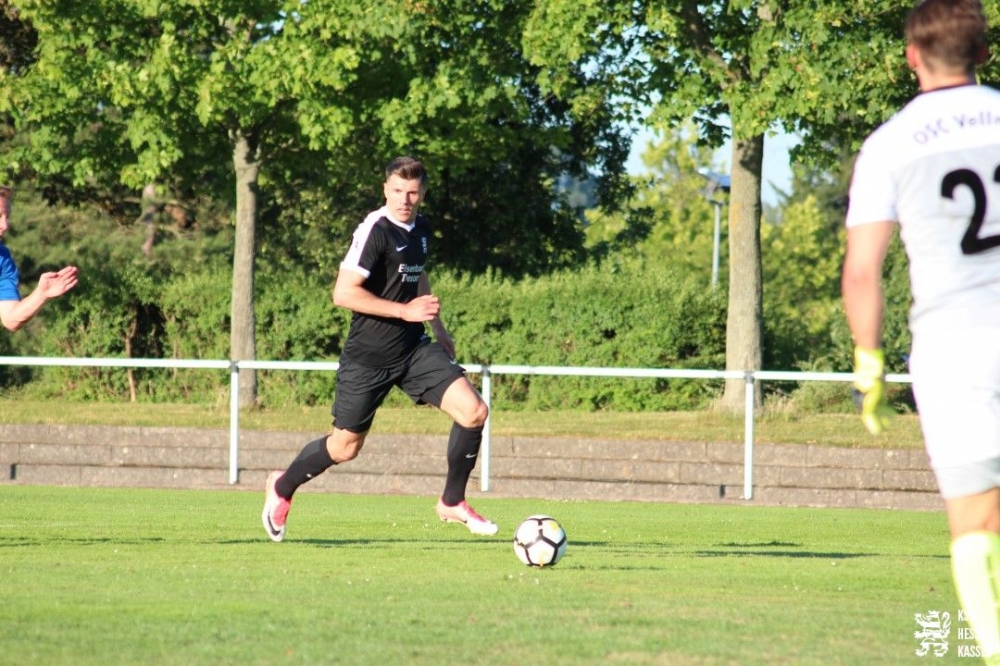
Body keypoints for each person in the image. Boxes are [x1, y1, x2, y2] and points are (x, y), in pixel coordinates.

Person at [842, 1, 1000, 662]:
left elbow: (862, 273)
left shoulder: (891, 144)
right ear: (983, 53)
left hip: (955, 352)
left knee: (976, 525)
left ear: (911, 57)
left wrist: (869, 363)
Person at [262, 157, 496, 542]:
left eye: (413, 192)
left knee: (474, 411)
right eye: (398, 191)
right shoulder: (375, 230)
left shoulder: (421, 228)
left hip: (413, 349)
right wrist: (405, 311)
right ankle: (282, 486)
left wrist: (437, 325)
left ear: (422, 194)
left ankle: (452, 501)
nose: (405, 199)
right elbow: (343, 293)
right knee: (344, 447)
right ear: (385, 189)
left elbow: (417, 273)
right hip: (368, 357)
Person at [0, 186, 78, 332]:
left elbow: (11, 319)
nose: (5, 225)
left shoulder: (3, 258)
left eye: (7, 217)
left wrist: (41, 294)